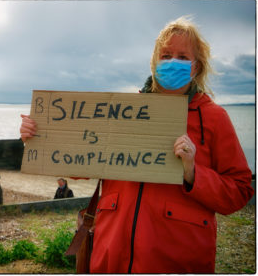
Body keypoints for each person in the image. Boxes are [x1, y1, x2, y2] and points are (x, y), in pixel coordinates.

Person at [20, 16, 254, 273]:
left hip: (177, 262)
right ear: (154, 62)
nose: (172, 62)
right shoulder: (124, 110)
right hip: (111, 256)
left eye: (182, 57)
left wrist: (192, 173)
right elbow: (84, 161)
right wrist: (39, 137)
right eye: (165, 56)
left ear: (196, 67)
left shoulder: (214, 117)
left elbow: (240, 191)